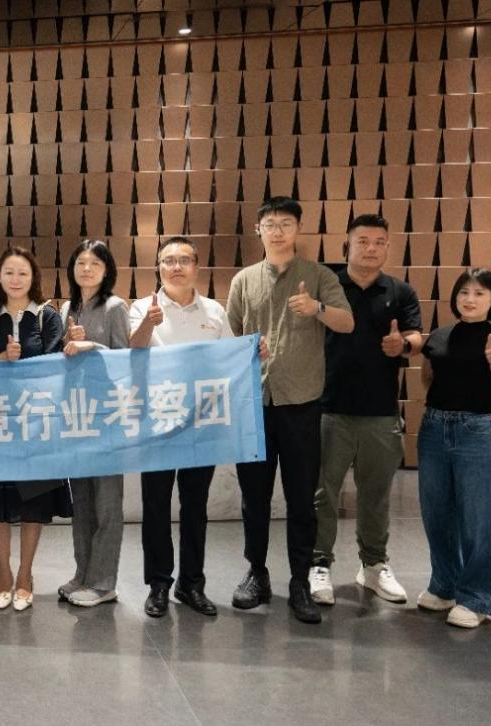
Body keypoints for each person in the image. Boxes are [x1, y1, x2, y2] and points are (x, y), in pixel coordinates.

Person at [225, 196, 354, 624]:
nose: (277, 231)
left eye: (285, 223)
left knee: (301, 499)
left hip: (301, 405)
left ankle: (300, 581)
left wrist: (317, 308)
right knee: (254, 498)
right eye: (270, 224)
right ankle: (256, 573)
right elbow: (230, 337)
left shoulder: (318, 276)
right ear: (257, 230)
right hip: (254, 405)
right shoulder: (243, 280)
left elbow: (347, 323)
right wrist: (248, 348)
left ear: (298, 229)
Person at [309, 214, 422, 607]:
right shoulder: (326, 285)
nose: (371, 248)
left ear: (388, 246)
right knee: (322, 494)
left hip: (380, 411)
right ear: (348, 245)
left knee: (376, 495)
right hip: (328, 407)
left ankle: (373, 564)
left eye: (379, 242)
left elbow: (416, 336)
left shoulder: (400, 291)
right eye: (363, 241)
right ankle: (318, 564)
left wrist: (403, 346)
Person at [128, 237, 232, 618]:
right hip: (157, 422)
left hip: (200, 424)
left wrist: (255, 353)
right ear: (158, 268)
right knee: (156, 506)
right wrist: (147, 324)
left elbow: (229, 360)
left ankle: (192, 583)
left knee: (195, 507)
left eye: (183, 260)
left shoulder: (215, 311)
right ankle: (158, 584)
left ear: (196, 267)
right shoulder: (142, 307)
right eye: (168, 260)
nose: (176, 267)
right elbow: (132, 351)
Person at [417, 269, 491, 628]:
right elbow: (428, 376)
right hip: (434, 428)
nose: (470, 299)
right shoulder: (439, 335)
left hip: (476, 432)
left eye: (479, 293)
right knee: (436, 513)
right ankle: (444, 585)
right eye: (464, 292)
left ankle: (477, 597)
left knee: (479, 518)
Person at [0, 248, 70, 612]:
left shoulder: (47, 316)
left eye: (23, 273)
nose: (16, 280)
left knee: (33, 504)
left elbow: (55, 365)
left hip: (36, 424)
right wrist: (2, 359)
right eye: (9, 273)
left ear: (33, 278)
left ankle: (26, 575)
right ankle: (3, 574)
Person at [59, 239, 131, 608]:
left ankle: (104, 583)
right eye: (81, 263)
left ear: (107, 271)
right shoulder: (67, 308)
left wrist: (93, 347)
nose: (87, 269)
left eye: (95, 264)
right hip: (76, 417)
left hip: (107, 418)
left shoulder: (115, 307)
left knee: (107, 505)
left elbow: (126, 359)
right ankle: (82, 574)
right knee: (83, 503)